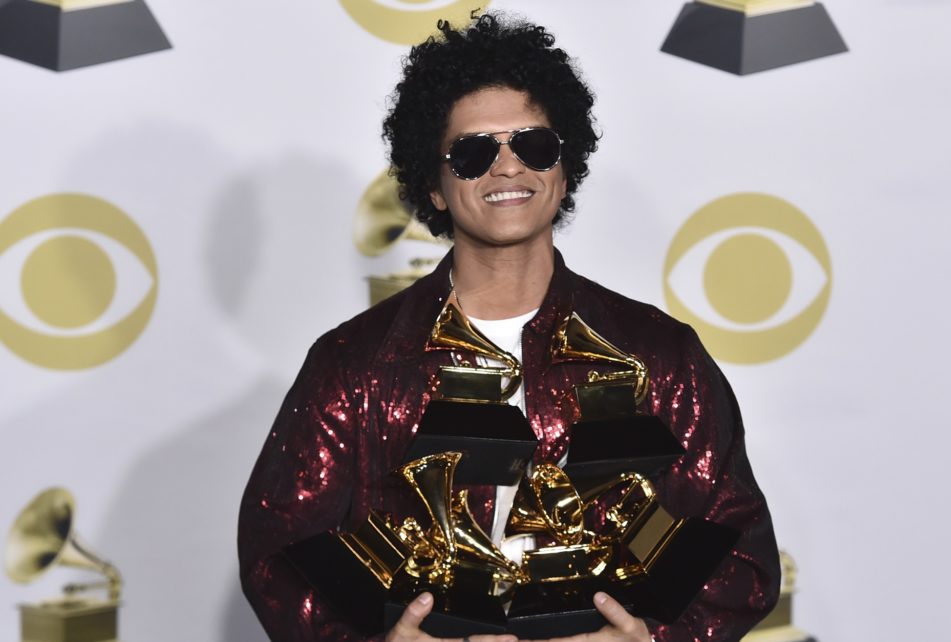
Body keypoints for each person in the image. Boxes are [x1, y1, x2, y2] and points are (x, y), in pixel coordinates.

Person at [238, 13, 780, 642]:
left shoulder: (658, 353)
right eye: (472, 153)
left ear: (563, 167)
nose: (506, 167)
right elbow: (278, 552)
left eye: (533, 145)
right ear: (434, 187)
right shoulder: (355, 365)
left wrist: (654, 640)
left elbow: (739, 553)